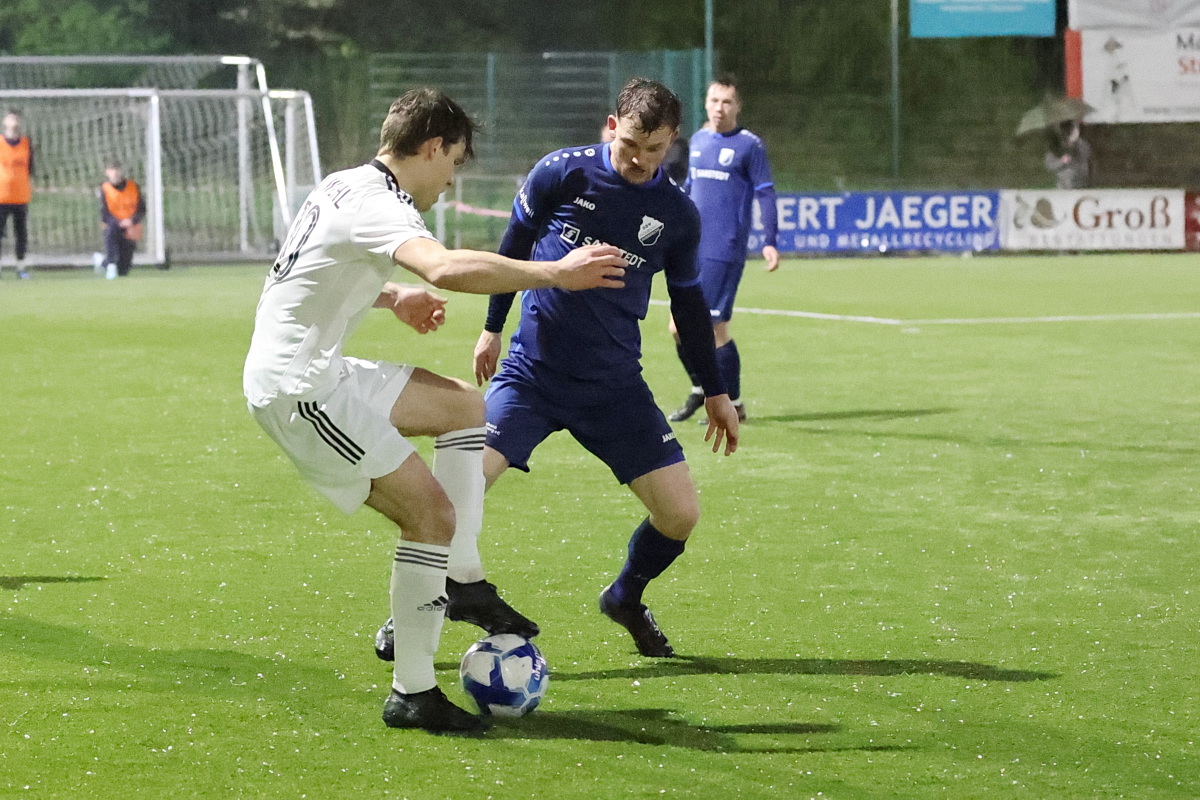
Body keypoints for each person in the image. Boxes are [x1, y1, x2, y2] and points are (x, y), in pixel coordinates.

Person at [242, 88, 626, 733]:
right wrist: (556, 273)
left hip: (321, 371)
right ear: (431, 147)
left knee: (463, 407)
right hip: (301, 392)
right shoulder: (379, 202)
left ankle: (464, 580)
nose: (451, 181)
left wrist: (392, 297)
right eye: (454, 162)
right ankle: (413, 692)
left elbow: (308, 272)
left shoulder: (344, 185)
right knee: (430, 516)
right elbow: (444, 268)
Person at [376, 79, 739, 662]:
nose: (640, 160)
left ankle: (625, 596)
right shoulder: (563, 173)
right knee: (457, 491)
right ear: (611, 126)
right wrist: (493, 327)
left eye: (654, 150)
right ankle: (417, 610)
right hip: (532, 376)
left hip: (614, 387)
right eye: (629, 145)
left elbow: (691, 306)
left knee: (680, 514)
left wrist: (715, 391)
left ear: (673, 141)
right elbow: (513, 247)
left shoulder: (677, 214)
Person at [667, 77, 779, 424]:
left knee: (714, 328)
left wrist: (770, 240)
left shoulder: (749, 146)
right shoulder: (699, 140)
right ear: (705, 103)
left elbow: (766, 192)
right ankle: (701, 389)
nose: (719, 108)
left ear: (738, 106)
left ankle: (735, 404)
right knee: (677, 327)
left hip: (725, 248)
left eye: (727, 102)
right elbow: (689, 189)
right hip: (694, 247)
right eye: (714, 100)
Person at [98, 159, 146, 279]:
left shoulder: (133, 186)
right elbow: (104, 213)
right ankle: (111, 264)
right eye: (111, 170)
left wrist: (131, 221)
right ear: (107, 173)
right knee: (111, 233)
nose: (115, 173)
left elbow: (141, 209)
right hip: (113, 225)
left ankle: (103, 263)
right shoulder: (105, 189)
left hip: (130, 226)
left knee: (124, 269)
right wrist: (118, 222)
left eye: (117, 170)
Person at [0, 110, 33, 279]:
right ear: (4, 122)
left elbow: (30, 168)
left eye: (16, 119)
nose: (13, 122)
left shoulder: (26, 143)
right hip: (1, 197)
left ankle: (20, 267)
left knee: (21, 234)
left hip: (20, 197)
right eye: (10, 118)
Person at [1043, 120, 1092, 190]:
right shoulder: (1056, 146)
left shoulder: (1082, 145)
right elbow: (1050, 165)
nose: (1076, 132)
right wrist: (1061, 161)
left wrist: (1074, 146)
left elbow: (1085, 159)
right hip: (1064, 185)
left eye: (1076, 129)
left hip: (1081, 183)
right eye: (1073, 129)